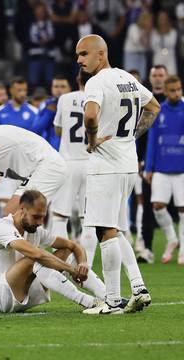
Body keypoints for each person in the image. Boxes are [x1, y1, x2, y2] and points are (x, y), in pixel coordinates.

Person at [76, 34, 158, 315]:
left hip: (106, 166)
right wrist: (132, 137)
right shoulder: (126, 77)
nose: (79, 59)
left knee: (104, 230)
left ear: (101, 55)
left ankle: (112, 300)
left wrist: (91, 139)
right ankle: (138, 287)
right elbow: (153, 107)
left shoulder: (96, 83)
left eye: (84, 54)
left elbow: (89, 116)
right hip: (127, 163)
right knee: (116, 229)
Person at [0, 190, 105, 314]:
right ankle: (90, 302)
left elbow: (73, 246)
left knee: (64, 252)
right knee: (35, 257)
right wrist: (71, 270)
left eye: (43, 217)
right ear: (22, 209)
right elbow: (37, 255)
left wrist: (83, 263)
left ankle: (108, 297)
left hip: (17, 292)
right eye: (36, 217)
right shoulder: (2, 227)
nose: (40, 222)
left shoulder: (35, 230)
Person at [50, 71, 98, 266]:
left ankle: (60, 264)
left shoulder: (64, 99)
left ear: (77, 80)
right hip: (91, 163)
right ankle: (86, 265)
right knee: (89, 218)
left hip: (68, 163)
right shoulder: (99, 100)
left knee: (60, 216)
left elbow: (58, 129)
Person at [144, 75, 184, 265]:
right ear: (166, 92)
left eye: (179, 89)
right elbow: (152, 142)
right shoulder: (159, 110)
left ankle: (183, 249)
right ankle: (172, 239)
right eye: (173, 90)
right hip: (161, 167)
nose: (177, 93)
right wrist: (149, 167)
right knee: (158, 207)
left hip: (181, 169)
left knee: (183, 210)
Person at [0, 76, 39, 224]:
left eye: (24, 90)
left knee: (11, 199)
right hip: (3, 161)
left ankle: (8, 228)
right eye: (19, 90)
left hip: (24, 163)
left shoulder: (34, 111)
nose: (22, 93)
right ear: (11, 91)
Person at [136, 65, 168, 263]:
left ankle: (176, 242)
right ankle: (146, 249)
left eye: (160, 75)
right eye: (154, 75)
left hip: (174, 164)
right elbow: (140, 133)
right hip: (150, 165)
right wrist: (140, 160)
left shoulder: (177, 102)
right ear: (150, 78)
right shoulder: (144, 102)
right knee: (148, 207)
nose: (157, 79)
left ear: (166, 78)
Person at [32, 74, 72, 150]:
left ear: (69, 88)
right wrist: (49, 113)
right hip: (51, 151)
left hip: (70, 150)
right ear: (51, 88)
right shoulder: (46, 105)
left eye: (63, 87)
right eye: (56, 86)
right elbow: (35, 131)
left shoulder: (76, 104)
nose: (59, 90)